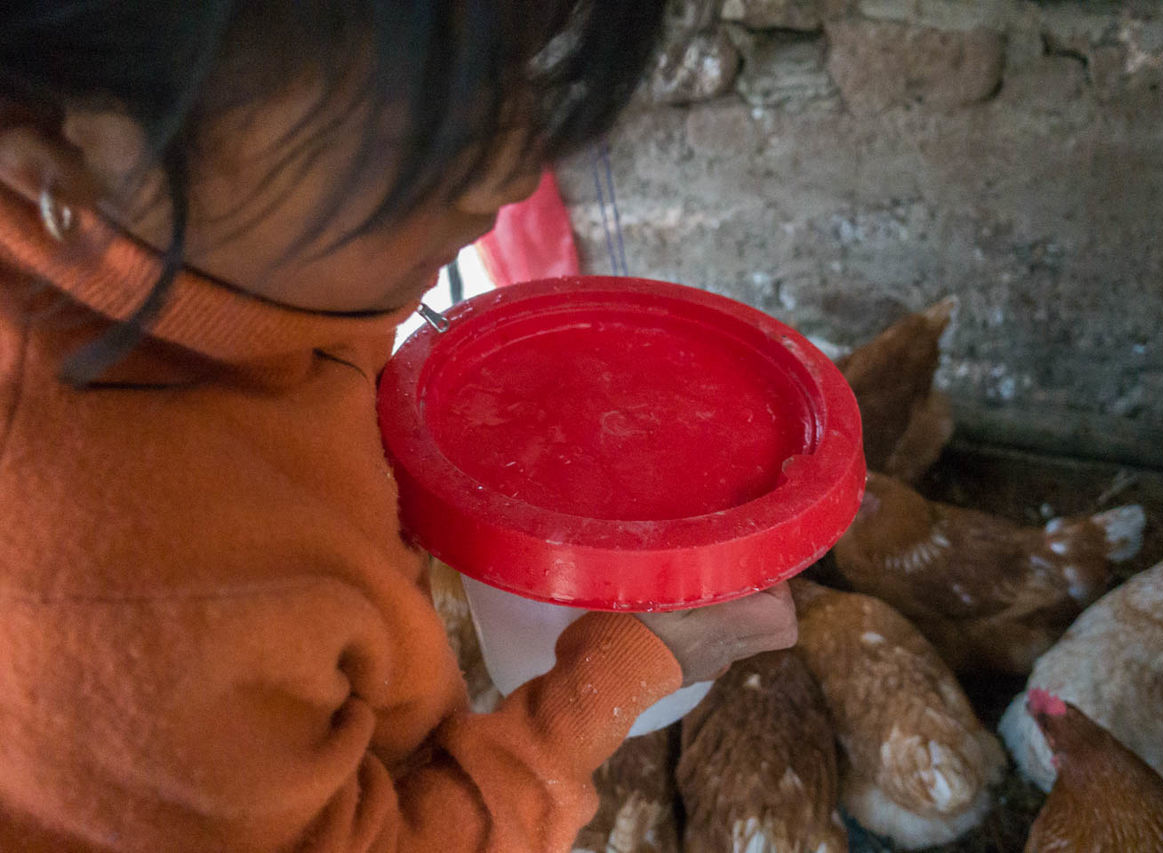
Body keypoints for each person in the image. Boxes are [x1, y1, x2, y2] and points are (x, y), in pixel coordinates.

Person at [0, 2, 799, 851]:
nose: (513, 175)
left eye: (513, 73)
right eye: (408, 131)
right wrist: (613, 679)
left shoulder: (225, 271)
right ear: (59, 166)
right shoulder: (126, 596)